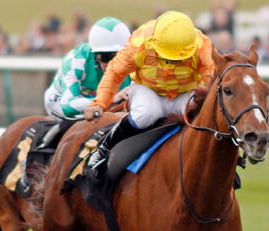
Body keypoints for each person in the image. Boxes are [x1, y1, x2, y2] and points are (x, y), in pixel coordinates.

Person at [84, 10, 215, 178]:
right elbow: (115, 73)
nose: (173, 62)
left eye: (178, 59)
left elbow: (213, 79)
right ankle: (104, 148)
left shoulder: (202, 45)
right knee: (146, 114)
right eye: (169, 58)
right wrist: (99, 103)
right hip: (147, 88)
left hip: (185, 92)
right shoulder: (140, 43)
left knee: (201, 116)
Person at [40, 17, 131, 149]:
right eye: (105, 57)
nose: (112, 64)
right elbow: (67, 106)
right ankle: (50, 145)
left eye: (118, 57)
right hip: (62, 103)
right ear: (95, 55)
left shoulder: (133, 62)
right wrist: (108, 100)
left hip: (103, 104)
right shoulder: (76, 61)